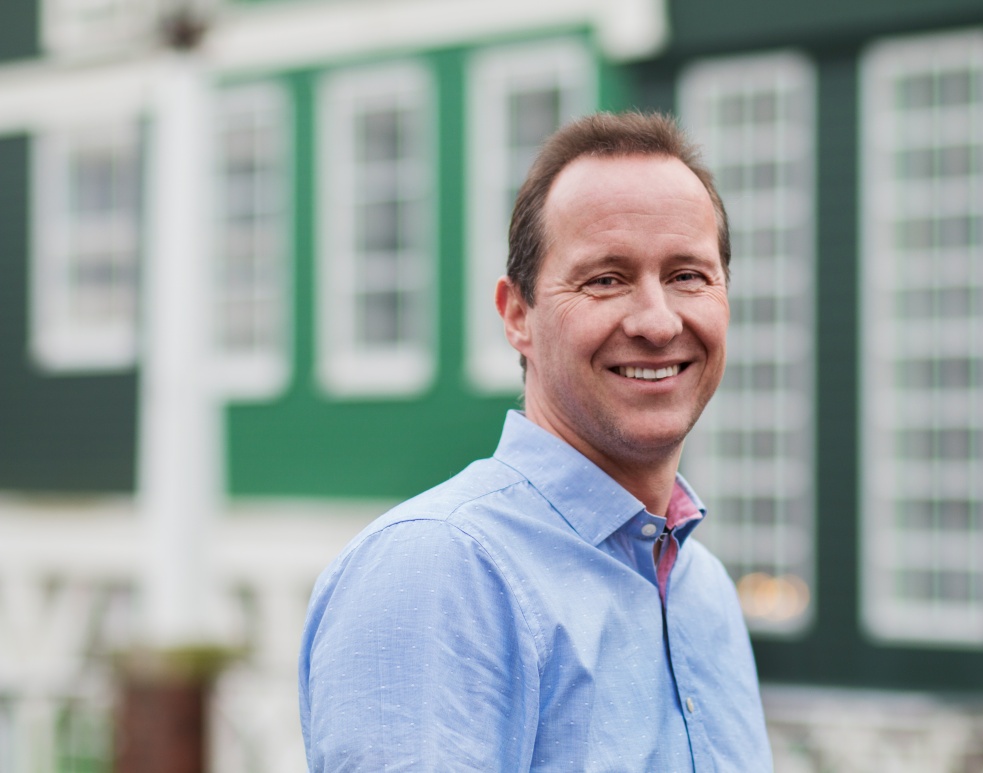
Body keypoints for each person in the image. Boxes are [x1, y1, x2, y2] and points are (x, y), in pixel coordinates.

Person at [298, 112, 773, 771]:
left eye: (688, 275)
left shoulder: (706, 591)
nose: (659, 322)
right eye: (605, 279)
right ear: (517, 315)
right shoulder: (442, 570)